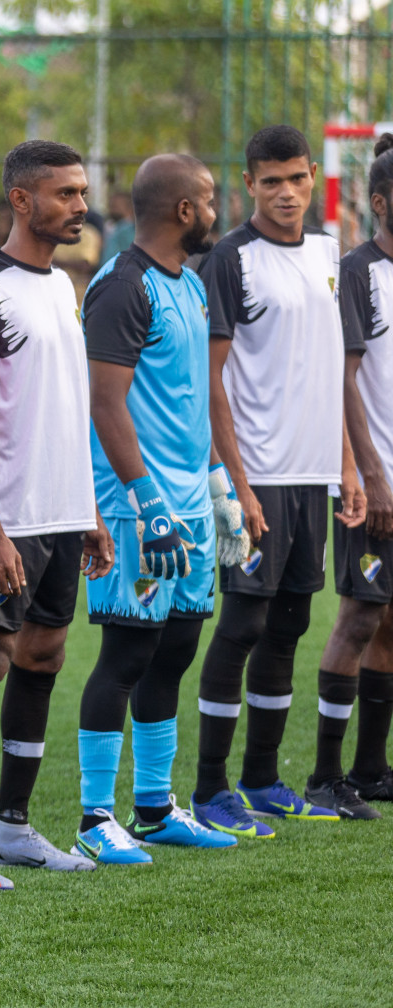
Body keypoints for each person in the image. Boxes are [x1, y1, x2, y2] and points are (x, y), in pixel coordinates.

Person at [0, 140, 114, 887]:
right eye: (65, 194)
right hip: (6, 518)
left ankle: (11, 826)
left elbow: (61, 408)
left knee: (43, 659)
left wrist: (90, 510)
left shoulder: (63, 286)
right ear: (21, 200)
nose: (79, 206)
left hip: (63, 513)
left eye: (81, 193)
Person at [190, 124, 368, 833]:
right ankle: (210, 788)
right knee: (241, 625)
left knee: (290, 624)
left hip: (314, 476)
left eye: (297, 179)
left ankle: (263, 779)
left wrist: (348, 469)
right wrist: (235, 482)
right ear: (250, 186)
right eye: (271, 182)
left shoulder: (331, 255)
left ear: (311, 176)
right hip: (256, 477)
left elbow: (337, 368)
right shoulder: (231, 259)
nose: (286, 194)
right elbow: (211, 378)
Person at [72, 154, 243, 864]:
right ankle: (92, 818)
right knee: (127, 651)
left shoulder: (192, 285)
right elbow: (105, 402)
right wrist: (147, 500)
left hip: (190, 504)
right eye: (208, 200)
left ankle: (154, 808)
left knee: (175, 648)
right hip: (139, 506)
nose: (215, 210)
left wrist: (218, 486)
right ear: (182, 211)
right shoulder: (121, 287)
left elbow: (191, 396)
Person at [307, 134, 393, 814]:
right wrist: (370, 472)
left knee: (390, 623)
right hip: (376, 483)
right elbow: (345, 380)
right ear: (380, 203)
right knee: (360, 617)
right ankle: (324, 776)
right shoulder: (358, 274)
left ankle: (370, 769)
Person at [105, 191, 135, 259]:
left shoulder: (128, 230)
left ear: (129, 207)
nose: (111, 210)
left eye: (115, 206)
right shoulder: (109, 226)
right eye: (110, 205)